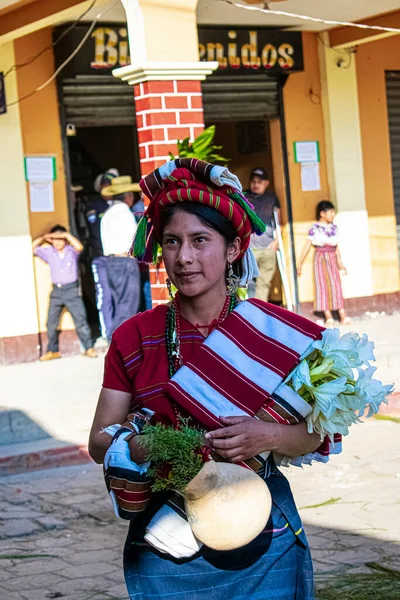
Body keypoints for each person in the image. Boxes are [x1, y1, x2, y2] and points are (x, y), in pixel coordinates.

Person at [89, 159, 343, 600]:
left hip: (264, 535)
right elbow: (98, 442)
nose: (184, 256)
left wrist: (267, 434)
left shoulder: (277, 334)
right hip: (166, 538)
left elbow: (317, 435)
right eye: (172, 241)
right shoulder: (135, 336)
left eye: (200, 240)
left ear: (232, 250)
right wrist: (144, 443)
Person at [33, 225, 97, 361]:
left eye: (60, 239)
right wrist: (45, 238)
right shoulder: (49, 252)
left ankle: (88, 348)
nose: (58, 242)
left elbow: (79, 246)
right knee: (51, 322)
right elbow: (33, 247)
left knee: (80, 319)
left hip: (71, 290)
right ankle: (53, 350)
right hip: (56, 291)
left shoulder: (71, 251)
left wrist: (66, 235)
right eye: (55, 239)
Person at [297, 200, 350, 326]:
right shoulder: (315, 228)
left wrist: (340, 263)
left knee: (335, 284)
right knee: (322, 284)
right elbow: (307, 246)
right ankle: (328, 316)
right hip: (320, 257)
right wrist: (300, 263)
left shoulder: (334, 228)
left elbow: (336, 247)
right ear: (322, 213)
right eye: (330, 212)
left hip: (332, 256)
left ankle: (342, 315)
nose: (332, 215)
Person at [100, 176, 141, 334]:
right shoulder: (125, 213)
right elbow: (134, 242)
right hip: (124, 261)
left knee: (119, 302)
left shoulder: (108, 213)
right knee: (128, 305)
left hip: (111, 261)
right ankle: (120, 344)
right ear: (128, 196)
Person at [86, 169, 120, 341]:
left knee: (120, 295)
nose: (108, 187)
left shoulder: (119, 204)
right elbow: (94, 231)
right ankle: (109, 334)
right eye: (105, 184)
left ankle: (122, 331)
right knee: (105, 295)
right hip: (101, 257)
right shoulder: (94, 206)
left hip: (118, 258)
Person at [246, 167, 280, 301]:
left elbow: (279, 222)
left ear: (266, 183)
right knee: (249, 282)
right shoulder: (244, 197)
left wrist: (276, 241)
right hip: (249, 248)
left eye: (259, 182)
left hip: (267, 247)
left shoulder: (272, 199)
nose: (255, 184)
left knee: (264, 283)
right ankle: (249, 311)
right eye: (253, 181)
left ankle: (259, 312)